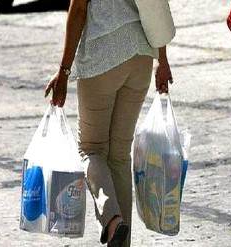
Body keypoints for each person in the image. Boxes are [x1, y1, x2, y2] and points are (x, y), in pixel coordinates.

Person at [44, 0, 173, 246]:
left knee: (91, 149)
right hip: (141, 55)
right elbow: (156, 7)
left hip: (102, 57)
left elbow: (79, 8)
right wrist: (162, 59)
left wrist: (64, 70)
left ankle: (112, 220)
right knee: (119, 157)